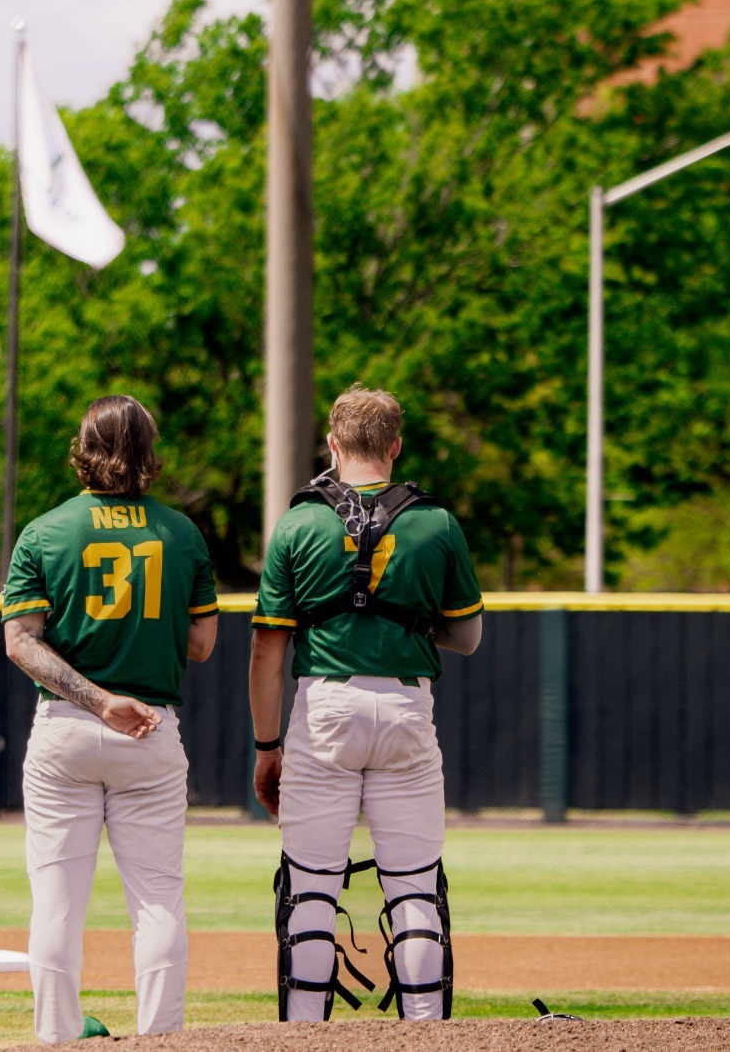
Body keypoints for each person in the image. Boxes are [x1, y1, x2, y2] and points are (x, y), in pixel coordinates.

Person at [248, 386, 483, 1023]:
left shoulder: (298, 522)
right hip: (407, 708)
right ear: (395, 446)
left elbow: (269, 652)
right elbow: (467, 635)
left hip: (323, 704)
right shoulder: (435, 522)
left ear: (333, 443)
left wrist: (268, 749)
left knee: (312, 890)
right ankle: (425, 1033)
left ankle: (304, 1035)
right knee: (413, 890)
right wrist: (409, 627)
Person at [1, 394, 218, 1044]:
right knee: (157, 899)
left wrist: (95, 698)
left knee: (57, 900)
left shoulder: (45, 530)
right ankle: (162, 1037)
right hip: (150, 725)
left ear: (82, 448)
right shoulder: (181, 533)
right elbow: (202, 645)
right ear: (150, 451)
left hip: (67, 725)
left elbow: (20, 641)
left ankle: (58, 1035)